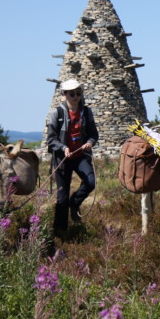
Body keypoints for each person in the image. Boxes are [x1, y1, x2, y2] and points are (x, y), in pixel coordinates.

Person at [45, 79, 99, 233]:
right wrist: (63, 147)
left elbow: (94, 134)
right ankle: (60, 232)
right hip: (62, 159)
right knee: (61, 197)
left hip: (81, 156)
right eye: (71, 94)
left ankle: (74, 203)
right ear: (64, 94)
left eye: (78, 93)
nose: (75, 96)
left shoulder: (87, 112)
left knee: (90, 182)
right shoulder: (58, 112)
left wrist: (90, 142)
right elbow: (51, 139)